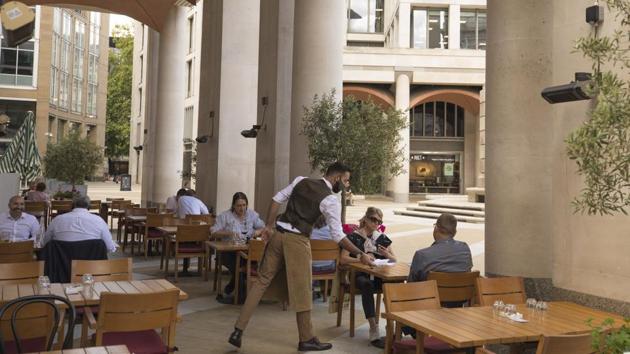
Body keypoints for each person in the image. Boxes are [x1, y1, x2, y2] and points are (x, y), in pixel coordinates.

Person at [228, 162, 374, 352]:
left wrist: (269, 227)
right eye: (345, 181)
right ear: (337, 178)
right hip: (297, 240)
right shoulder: (331, 200)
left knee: (261, 282)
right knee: (303, 289)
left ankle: (237, 331)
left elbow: (276, 200)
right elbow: (338, 236)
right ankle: (306, 338)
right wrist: (361, 253)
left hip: (278, 234)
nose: (346, 185)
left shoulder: (301, 180)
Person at [340, 207, 396, 348]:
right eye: (373, 219)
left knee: (395, 283)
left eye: (379, 221)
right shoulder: (353, 237)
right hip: (358, 275)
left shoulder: (381, 238)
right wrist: (361, 259)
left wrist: (387, 255)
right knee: (367, 285)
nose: (376, 223)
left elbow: (394, 260)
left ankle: (394, 326)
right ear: (365, 219)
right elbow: (343, 259)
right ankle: (373, 326)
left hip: (378, 274)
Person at [211, 192, 265, 304]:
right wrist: (228, 233)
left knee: (245, 264)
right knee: (239, 265)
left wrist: (257, 232)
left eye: (244, 205)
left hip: (246, 250)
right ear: (233, 205)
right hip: (228, 251)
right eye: (239, 206)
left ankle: (232, 288)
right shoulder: (225, 216)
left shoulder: (252, 215)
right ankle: (240, 295)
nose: (242, 208)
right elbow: (214, 232)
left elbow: (263, 228)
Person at [408, 213, 472, 283]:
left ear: (435, 229)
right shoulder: (465, 249)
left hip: (430, 293)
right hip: (462, 293)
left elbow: (411, 285)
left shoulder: (421, 255)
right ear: (455, 232)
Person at [42, 195, 118, 253]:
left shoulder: (57, 220)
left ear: (72, 206)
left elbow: (45, 243)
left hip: (61, 268)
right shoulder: (99, 221)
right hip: (90, 269)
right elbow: (110, 248)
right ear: (88, 207)